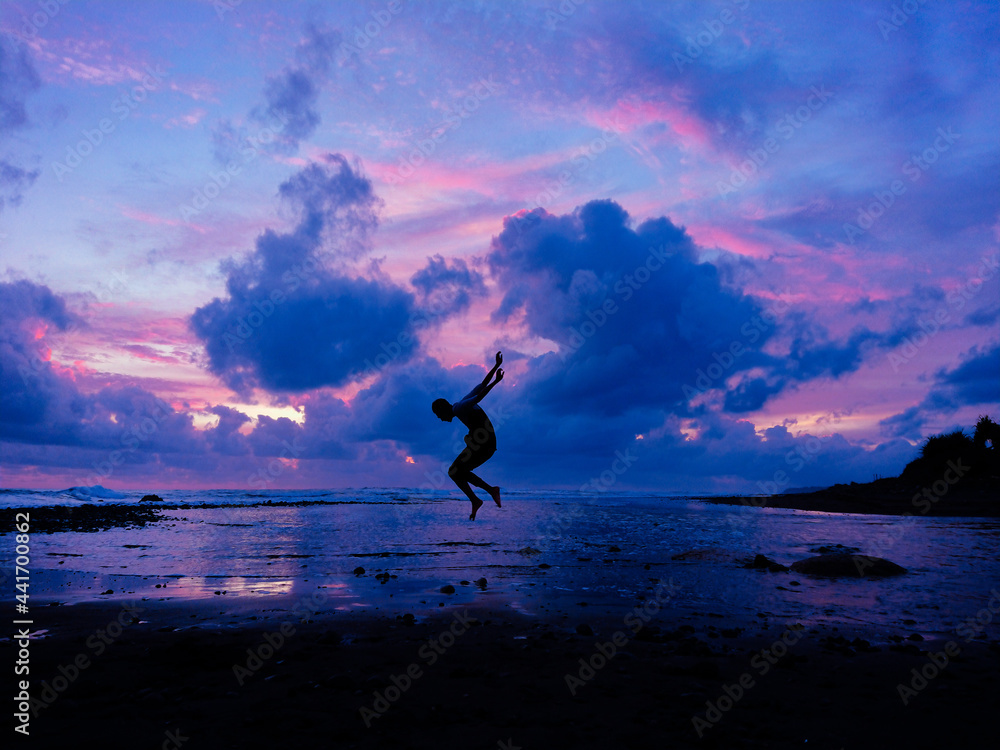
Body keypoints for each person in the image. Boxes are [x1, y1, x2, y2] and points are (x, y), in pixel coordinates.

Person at [432, 351, 504, 520]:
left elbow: (479, 395)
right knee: (457, 471)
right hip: (484, 443)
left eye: (439, 416)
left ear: (443, 409)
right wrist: (495, 366)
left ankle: (483, 495)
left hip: (485, 444)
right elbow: (481, 385)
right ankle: (484, 495)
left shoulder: (459, 408)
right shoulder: (459, 406)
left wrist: (496, 381)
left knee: (454, 471)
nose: (441, 420)